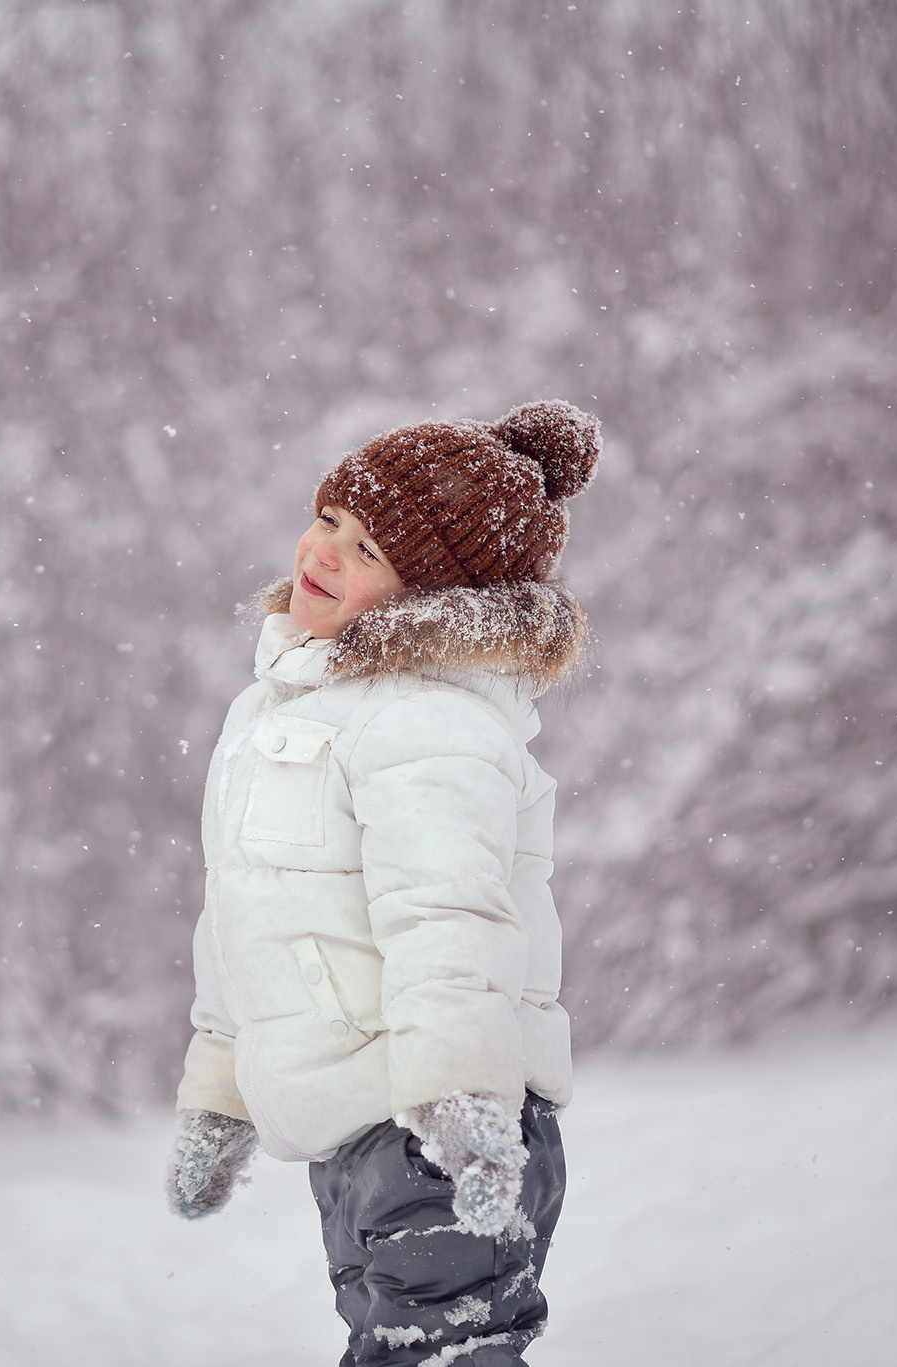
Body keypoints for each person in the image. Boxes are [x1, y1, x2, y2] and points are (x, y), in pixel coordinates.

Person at [165, 399, 600, 1366]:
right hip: (354, 1132)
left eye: (366, 550)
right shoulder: (281, 712)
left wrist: (464, 1114)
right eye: (329, 519)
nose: (325, 553)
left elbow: (453, 921)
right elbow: (244, 921)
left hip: (437, 1126)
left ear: (423, 600)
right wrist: (219, 1094)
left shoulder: (424, 725)